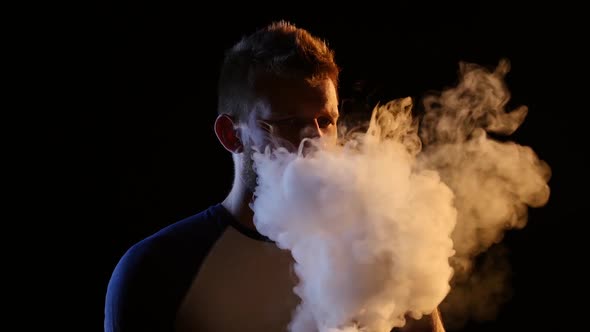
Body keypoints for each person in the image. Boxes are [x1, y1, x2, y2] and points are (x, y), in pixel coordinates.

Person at [105, 20, 445, 332]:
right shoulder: (157, 270)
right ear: (230, 135)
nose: (315, 140)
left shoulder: (375, 254)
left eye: (326, 121)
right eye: (288, 123)